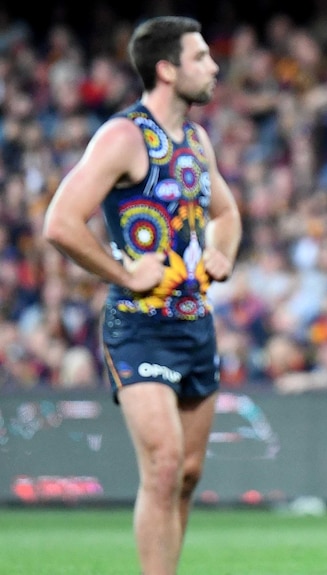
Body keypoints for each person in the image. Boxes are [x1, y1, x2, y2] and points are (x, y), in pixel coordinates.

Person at [43, 16, 241, 575]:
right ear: (166, 68)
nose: (213, 66)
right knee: (162, 464)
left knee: (187, 473)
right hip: (139, 324)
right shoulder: (123, 136)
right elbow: (61, 221)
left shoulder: (197, 141)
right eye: (200, 56)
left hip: (194, 323)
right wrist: (122, 272)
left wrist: (221, 251)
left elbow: (225, 212)